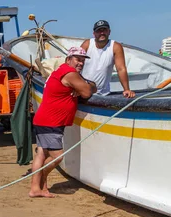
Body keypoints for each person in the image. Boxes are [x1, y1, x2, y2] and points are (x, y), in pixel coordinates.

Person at [29, 47, 97, 198]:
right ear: (68, 59)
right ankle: (42, 179)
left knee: (41, 154)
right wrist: (82, 88)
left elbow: (92, 86)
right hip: (51, 122)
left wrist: (82, 87)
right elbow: (87, 92)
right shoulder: (70, 73)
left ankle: (36, 188)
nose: (81, 63)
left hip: (44, 119)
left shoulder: (62, 71)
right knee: (58, 157)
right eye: (78, 59)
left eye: (83, 60)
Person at [81, 20, 135, 98]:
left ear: (109, 32)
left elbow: (121, 69)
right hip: (83, 91)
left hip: (103, 94)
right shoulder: (87, 44)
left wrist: (126, 89)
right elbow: (76, 64)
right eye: (99, 31)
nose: (102, 33)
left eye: (104, 30)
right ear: (94, 33)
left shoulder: (115, 47)